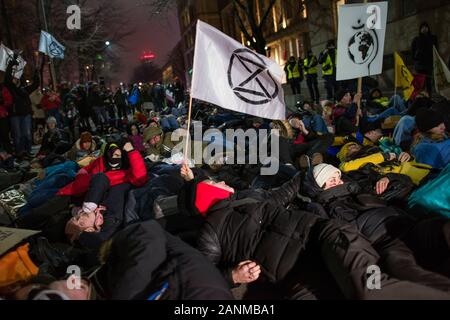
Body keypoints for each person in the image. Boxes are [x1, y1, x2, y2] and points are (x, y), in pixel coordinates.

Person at [178, 164, 450, 299]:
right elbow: (204, 274)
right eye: (216, 183)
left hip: (326, 237)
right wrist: (233, 275)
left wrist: (389, 178)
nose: (222, 181)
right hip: (295, 275)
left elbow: (288, 189)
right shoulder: (211, 232)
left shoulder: (250, 198)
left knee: (372, 286)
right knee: (378, 282)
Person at [301, 163, 450, 294]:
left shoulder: (360, 188)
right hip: (384, 241)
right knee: (402, 268)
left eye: (338, 178)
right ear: (318, 189)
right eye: (331, 181)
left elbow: (405, 184)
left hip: (406, 223)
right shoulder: (322, 208)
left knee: (441, 228)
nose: (339, 182)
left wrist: (389, 178)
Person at [57, 142, 148, 197]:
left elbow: (140, 177)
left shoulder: (124, 174)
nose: (113, 158)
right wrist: (83, 172)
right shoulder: (102, 160)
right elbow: (89, 167)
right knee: (62, 174)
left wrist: (131, 151)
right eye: (111, 154)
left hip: (76, 193)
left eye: (117, 156)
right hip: (75, 182)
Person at [4, 56, 39, 159]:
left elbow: (36, 84)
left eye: (17, 78)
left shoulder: (25, 90)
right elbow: (7, 78)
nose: (15, 80)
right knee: (17, 135)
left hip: (26, 115)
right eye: (14, 78)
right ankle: (19, 152)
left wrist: (36, 72)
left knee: (27, 134)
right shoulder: (11, 88)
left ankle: (27, 151)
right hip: (15, 115)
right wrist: (11, 63)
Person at [411, 22, 438, 95]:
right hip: (420, 65)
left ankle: (429, 97)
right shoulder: (416, 39)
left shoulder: (433, 38)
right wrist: (415, 61)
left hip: (429, 64)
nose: (424, 29)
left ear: (428, 28)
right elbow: (412, 52)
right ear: (420, 29)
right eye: (422, 27)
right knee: (421, 82)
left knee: (428, 82)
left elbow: (436, 50)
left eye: (426, 27)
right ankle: (421, 97)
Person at [0, 82, 14, 154]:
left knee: (4, 135)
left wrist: (3, 101)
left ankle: (9, 154)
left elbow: (9, 100)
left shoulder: (2, 88)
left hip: (2, 115)